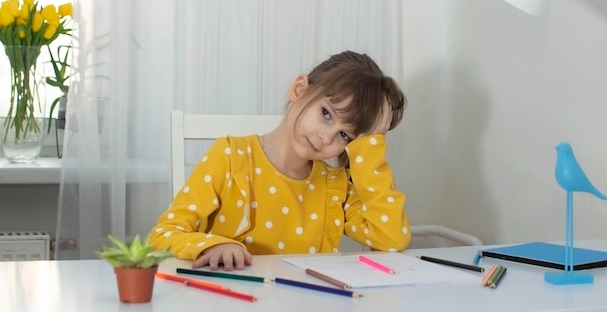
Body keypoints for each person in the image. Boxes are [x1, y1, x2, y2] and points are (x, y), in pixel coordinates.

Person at [150, 50, 411, 271]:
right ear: (299, 90)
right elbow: (163, 235)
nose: (325, 137)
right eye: (326, 113)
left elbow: (391, 239)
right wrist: (214, 245)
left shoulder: (335, 186)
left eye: (344, 135)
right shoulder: (231, 157)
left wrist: (371, 144)